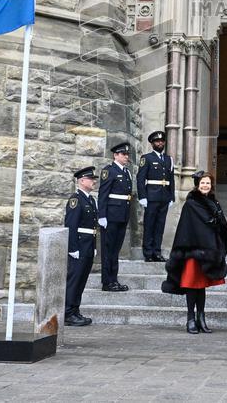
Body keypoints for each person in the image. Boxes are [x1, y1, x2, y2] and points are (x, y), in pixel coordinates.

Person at [162, 171, 227, 334]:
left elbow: (220, 226)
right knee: (192, 285)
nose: (205, 186)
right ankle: (190, 319)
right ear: (197, 185)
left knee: (202, 286)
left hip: (208, 252)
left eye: (208, 183)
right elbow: (188, 228)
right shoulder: (191, 203)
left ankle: (201, 317)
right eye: (203, 183)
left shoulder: (214, 202)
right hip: (193, 252)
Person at [64, 166, 99, 327]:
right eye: (91, 179)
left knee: (81, 280)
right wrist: (72, 248)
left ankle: (75, 310)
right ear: (82, 181)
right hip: (78, 246)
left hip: (88, 245)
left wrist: (93, 246)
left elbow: (92, 227)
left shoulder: (90, 200)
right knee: (74, 280)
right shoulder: (76, 200)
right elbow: (71, 225)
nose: (93, 182)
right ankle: (68, 313)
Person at [98, 142, 133, 292]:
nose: (126, 157)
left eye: (127, 154)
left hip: (122, 216)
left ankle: (114, 279)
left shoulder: (126, 172)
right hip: (111, 216)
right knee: (108, 249)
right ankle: (107, 282)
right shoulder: (109, 171)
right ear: (115, 155)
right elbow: (103, 194)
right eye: (123, 154)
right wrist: (102, 215)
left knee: (115, 249)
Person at [136, 130, 175, 262]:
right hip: (151, 197)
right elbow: (140, 178)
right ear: (152, 144)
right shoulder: (146, 158)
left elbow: (171, 179)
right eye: (157, 141)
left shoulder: (169, 159)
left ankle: (157, 252)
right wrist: (142, 197)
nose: (160, 143)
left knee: (160, 225)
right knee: (149, 224)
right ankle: (148, 253)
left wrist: (172, 197)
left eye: (161, 141)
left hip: (164, 197)